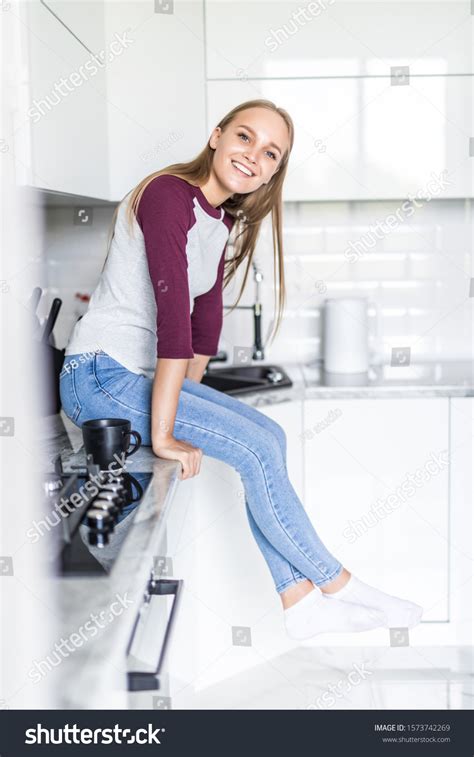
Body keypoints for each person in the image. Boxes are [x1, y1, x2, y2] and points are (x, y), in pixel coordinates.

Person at [60, 99, 423, 640]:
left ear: (276, 170)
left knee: (267, 435)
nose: (254, 155)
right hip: (98, 376)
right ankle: (338, 585)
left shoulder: (220, 222)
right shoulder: (166, 195)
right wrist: (165, 432)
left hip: (131, 380)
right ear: (217, 135)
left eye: (270, 152)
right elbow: (172, 322)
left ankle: (298, 601)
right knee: (255, 450)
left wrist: (192, 411)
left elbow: (203, 331)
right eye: (245, 137)